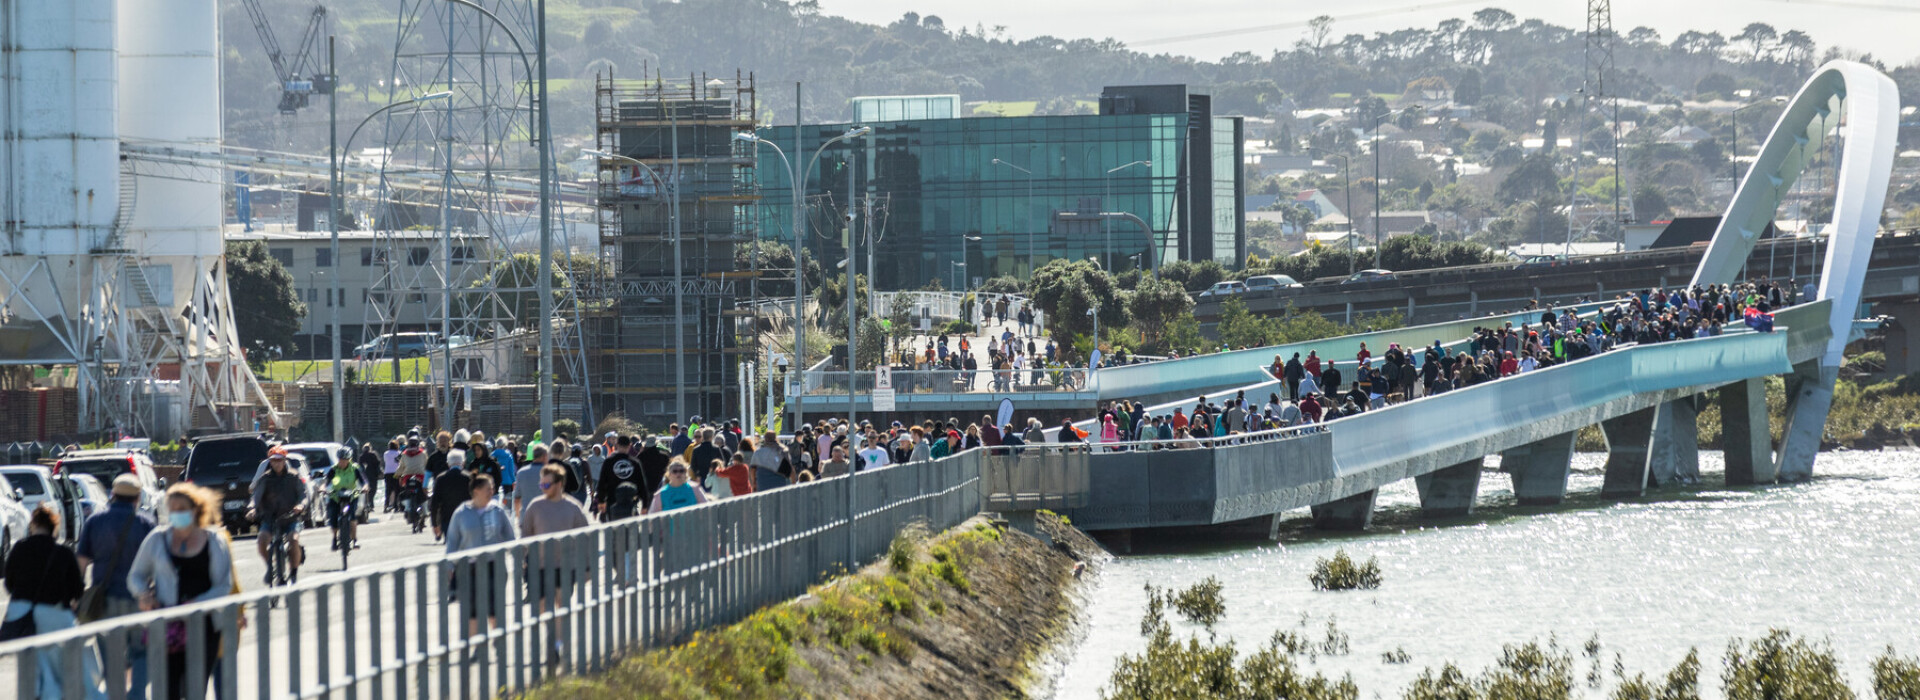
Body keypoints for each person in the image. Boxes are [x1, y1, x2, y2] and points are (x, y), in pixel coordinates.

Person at [128, 485, 233, 700]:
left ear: (195, 510)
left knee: (194, 690)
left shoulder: (214, 541)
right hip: (167, 627)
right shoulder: (157, 539)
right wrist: (143, 595)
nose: (176, 513)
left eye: (181, 508)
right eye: (172, 508)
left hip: (204, 627)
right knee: (167, 690)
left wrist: (196, 604)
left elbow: (224, 586)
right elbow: (135, 576)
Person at [75, 474, 158, 698]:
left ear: (112, 495)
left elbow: (81, 563)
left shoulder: (94, 521)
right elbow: (158, 564)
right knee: (141, 653)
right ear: (137, 498)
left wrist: (76, 596)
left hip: (104, 601)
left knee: (112, 659)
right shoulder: (145, 524)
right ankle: (137, 694)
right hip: (139, 600)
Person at [3, 505, 98, 699]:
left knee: (31, 667)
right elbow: (77, 588)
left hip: (22, 613)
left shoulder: (20, 548)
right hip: (55, 614)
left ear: (34, 524)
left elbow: (9, 582)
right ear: (54, 526)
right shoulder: (63, 552)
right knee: (66, 667)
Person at [520, 463, 591, 666]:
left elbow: (586, 537)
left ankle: (556, 646)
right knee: (543, 607)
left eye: (546, 485)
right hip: (539, 565)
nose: (542, 488)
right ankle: (554, 635)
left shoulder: (572, 507)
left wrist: (586, 567)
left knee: (561, 604)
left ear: (559, 484)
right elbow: (526, 534)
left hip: (565, 565)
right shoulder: (535, 506)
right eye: (541, 485)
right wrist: (523, 561)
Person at [444, 474, 515, 644]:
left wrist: (521, 558)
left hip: (494, 565)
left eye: (492, 488)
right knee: (472, 610)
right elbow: (453, 541)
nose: (492, 492)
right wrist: (449, 566)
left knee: (493, 608)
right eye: (488, 489)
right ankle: (475, 646)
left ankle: (499, 640)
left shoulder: (497, 510)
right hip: (469, 568)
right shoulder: (461, 513)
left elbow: (510, 537)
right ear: (476, 491)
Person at [248, 447, 305, 583]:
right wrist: (252, 508)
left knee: (294, 540)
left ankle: (294, 572)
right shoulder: (265, 478)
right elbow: (255, 497)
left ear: (284, 460)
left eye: (279, 460)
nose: (276, 463)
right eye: (273, 461)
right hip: (270, 518)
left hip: (291, 518)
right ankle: (270, 567)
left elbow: (303, 495)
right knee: (262, 541)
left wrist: (301, 505)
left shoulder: (293, 476)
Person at [322, 450, 367, 551]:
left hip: (351, 496)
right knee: (333, 517)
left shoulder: (355, 468)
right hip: (336, 496)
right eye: (340, 460)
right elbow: (326, 481)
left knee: (352, 517)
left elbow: (363, 481)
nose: (342, 462)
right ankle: (334, 538)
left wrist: (365, 487)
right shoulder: (333, 469)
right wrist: (323, 488)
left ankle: (355, 539)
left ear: (349, 459)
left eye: (344, 460)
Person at [430, 451, 473, 542]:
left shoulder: (441, 478)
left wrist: (435, 523)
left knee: (451, 546)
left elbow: (435, 502)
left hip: (447, 518)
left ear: (448, 463)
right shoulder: (469, 477)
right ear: (463, 462)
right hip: (466, 517)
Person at [647, 458, 714, 513]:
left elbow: (707, 509)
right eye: (675, 471)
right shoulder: (660, 494)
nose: (678, 473)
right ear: (669, 474)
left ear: (686, 473)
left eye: (681, 471)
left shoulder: (695, 489)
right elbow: (652, 518)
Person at [514, 445, 547, 514]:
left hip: (526, 515)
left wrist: (518, 516)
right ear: (544, 456)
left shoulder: (521, 472)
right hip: (544, 517)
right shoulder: (549, 473)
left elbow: (517, 498)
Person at [381, 439, 404, 510]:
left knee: (388, 490)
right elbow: (400, 462)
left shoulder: (385, 453)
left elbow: (386, 461)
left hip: (387, 473)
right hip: (396, 473)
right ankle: (396, 506)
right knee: (397, 489)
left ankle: (386, 504)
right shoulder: (399, 453)